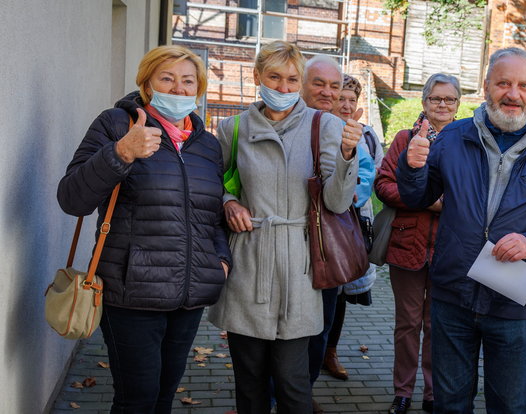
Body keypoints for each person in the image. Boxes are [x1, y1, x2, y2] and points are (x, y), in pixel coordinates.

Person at [398, 47, 526, 413]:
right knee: (450, 402)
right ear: (486, 86)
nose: (513, 94)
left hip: (512, 300)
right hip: (452, 295)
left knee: (508, 402)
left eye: (523, 85)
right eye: (503, 83)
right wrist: (412, 166)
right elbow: (417, 195)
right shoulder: (453, 137)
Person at [57, 45, 231, 412]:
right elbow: (72, 199)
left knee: (164, 396)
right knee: (137, 400)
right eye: (166, 78)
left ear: (198, 88)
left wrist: (220, 259)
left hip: (190, 294)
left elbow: (211, 212)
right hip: (132, 292)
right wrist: (120, 153)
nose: (178, 89)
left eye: (188, 81)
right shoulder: (116, 125)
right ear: (147, 83)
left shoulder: (207, 145)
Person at [207, 41, 360, 414]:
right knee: (250, 381)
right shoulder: (233, 128)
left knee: (293, 384)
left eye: (293, 79)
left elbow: (337, 202)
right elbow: (211, 184)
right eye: (274, 77)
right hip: (249, 263)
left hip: (299, 267)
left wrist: (346, 156)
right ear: (257, 76)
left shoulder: (325, 125)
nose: (283, 87)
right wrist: (228, 202)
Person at [375, 73, 462, 414]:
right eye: (436, 98)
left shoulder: (465, 142)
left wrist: (448, 204)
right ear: (425, 102)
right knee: (407, 324)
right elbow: (383, 184)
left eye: (449, 99)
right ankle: (402, 392)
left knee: (436, 324)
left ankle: (432, 393)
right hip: (406, 245)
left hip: (447, 249)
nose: (442, 104)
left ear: (457, 105)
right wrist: (425, 200)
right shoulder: (404, 138)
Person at [298, 56, 373, 412]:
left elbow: (360, 184)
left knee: (321, 324)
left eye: (338, 90)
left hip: (329, 243)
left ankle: (303, 390)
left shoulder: (353, 134)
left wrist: (350, 158)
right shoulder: (285, 124)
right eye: (322, 86)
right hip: (287, 246)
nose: (332, 96)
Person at [322, 74, 384, 381]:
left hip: (355, 225)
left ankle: (329, 353)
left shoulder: (369, 136)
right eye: (341, 98)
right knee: (323, 291)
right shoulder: (318, 130)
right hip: (324, 222)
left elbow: (379, 178)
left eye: (352, 100)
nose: (346, 105)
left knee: (343, 292)